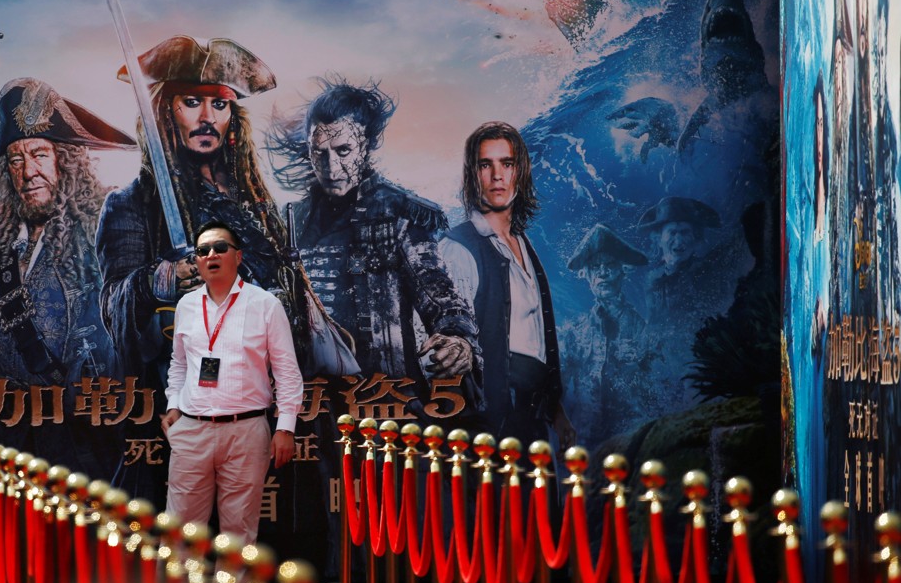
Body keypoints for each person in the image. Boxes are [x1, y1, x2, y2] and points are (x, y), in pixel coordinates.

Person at [96, 34, 309, 502]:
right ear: (166, 111)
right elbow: (113, 309)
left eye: (220, 104)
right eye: (192, 102)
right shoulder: (130, 206)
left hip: (258, 403)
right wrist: (161, 279)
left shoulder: (257, 205)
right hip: (178, 407)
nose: (207, 117)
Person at [0, 78, 134, 482]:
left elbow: (110, 356)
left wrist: (22, 392)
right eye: (16, 160)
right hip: (0, 453)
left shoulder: (102, 234)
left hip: (80, 457)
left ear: (64, 159)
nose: (29, 171)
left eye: (39, 154)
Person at [267, 77, 478, 384]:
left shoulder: (398, 215)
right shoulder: (291, 224)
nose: (331, 168)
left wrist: (457, 342)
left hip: (381, 400)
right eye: (320, 153)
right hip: (310, 401)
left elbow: (441, 298)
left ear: (365, 146)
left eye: (343, 151)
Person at [160, 220, 303, 546]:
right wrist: (173, 406)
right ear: (196, 261)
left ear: (237, 256)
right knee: (180, 535)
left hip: (247, 431)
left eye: (220, 247)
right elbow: (179, 364)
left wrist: (286, 427)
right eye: (202, 250)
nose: (211, 254)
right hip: (191, 430)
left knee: (238, 538)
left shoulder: (264, 304)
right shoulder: (186, 305)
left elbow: (287, 371)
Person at [438, 121, 575, 447]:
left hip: (532, 418)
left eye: (507, 164)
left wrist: (556, 413)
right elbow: (450, 351)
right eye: (486, 165)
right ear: (473, 175)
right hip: (489, 424)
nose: (497, 175)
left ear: (520, 172)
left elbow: (537, 337)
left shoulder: (524, 244)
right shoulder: (459, 248)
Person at [558, 224, 660, 445]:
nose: (603, 273)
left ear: (623, 270)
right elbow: (559, 388)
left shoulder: (644, 332)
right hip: (584, 441)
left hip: (632, 441)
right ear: (586, 275)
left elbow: (658, 391)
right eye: (596, 267)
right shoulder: (574, 333)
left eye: (610, 265)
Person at [636, 195, 728, 327]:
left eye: (685, 232)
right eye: (672, 233)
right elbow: (653, 322)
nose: (679, 241)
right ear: (659, 239)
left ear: (695, 238)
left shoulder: (707, 273)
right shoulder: (652, 279)